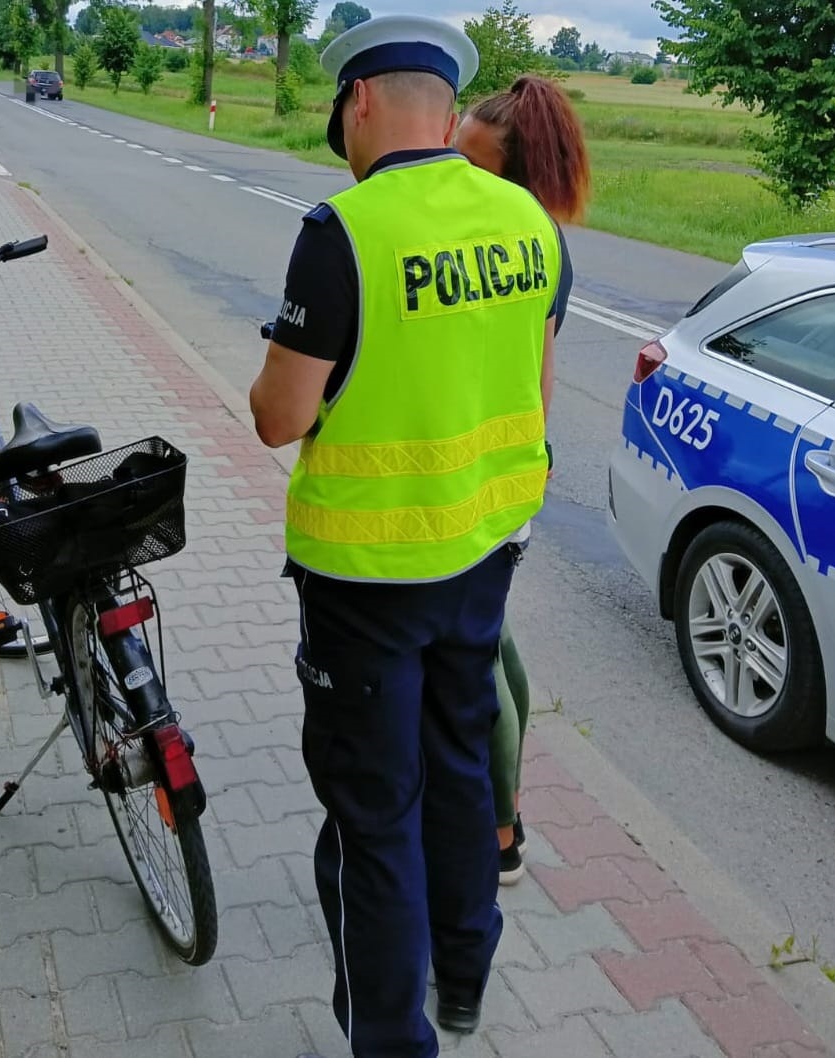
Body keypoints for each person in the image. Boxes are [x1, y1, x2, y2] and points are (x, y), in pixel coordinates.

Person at [248, 17, 562, 1058]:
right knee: (463, 767)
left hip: (366, 576)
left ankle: (391, 1040)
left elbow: (280, 414)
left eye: (340, 109)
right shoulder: (528, 222)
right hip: (483, 553)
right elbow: (534, 388)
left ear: (365, 99)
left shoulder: (346, 228)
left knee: (373, 820)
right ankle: (465, 976)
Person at [452, 75, 590, 885]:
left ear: (518, 175)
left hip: (488, 473)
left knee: (476, 657)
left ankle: (499, 835)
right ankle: (506, 820)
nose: (453, 171)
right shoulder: (535, 235)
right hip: (512, 465)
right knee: (495, 642)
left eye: (471, 162)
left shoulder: (517, 239)